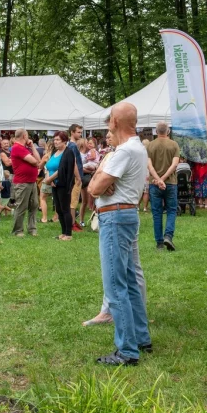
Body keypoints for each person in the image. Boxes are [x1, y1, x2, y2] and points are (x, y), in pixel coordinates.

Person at [88, 102, 152, 366]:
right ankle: (140, 338)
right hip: (126, 214)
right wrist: (104, 181)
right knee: (128, 280)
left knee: (116, 285)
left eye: (110, 119)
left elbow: (94, 188)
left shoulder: (123, 151)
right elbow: (100, 187)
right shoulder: (137, 148)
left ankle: (127, 350)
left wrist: (102, 176)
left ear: (115, 121)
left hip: (115, 216)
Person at [147, 122, 180, 251]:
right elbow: (175, 164)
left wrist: (157, 179)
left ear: (156, 131)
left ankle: (159, 242)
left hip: (154, 184)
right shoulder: (174, 145)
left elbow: (149, 165)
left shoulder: (150, 145)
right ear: (168, 131)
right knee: (171, 210)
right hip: (171, 182)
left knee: (156, 213)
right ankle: (168, 236)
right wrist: (164, 179)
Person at [10, 128, 41, 236]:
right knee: (21, 207)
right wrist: (36, 162)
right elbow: (35, 161)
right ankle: (18, 230)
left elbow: (39, 160)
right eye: (27, 136)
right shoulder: (17, 148)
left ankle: (32, 228)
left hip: (31, 181)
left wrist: (32, 146)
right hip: (22, 182)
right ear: (24, 136)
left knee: (34, 205)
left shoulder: (26, 148)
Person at [47, 131, 77, 239]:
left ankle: (68, 234)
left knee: (65, 209)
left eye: (58, 140)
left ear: (64, 141)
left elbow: (63, 169)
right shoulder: (54, 152)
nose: (55, 142)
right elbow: (49, 166)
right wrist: (49, 180)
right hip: (54, 184)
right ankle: (63, 232)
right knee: (59, 209)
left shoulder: (68, 152)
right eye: (54, 139)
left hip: (63, 184)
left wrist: (51, 178)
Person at [67, 124, 85, 232]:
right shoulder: (72, 146)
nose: (80, 134)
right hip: (75, 177)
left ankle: (73, 222)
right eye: (78, 132)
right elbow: (73, 162)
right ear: (72, 132)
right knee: (73, 201)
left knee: (74, 200)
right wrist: (78, 177)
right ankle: (72, 223)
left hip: (74, 176)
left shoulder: (71, 145)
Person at [40, 138, 62, 223]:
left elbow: (40, 166)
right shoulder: (59, 155)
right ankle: (56, 217)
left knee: (42, 198)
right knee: (57, 199)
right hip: (57, 178)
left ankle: (44, 218)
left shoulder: (47, 156)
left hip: (47, 178)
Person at [79, 138, 100, 226]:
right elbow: (80, 168)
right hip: (85, 178)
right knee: (85, 201)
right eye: (87, 143)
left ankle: (94, 220)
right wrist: (90, 171)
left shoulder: (91, 152)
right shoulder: (80, 154)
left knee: (94, 199)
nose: (89, 144)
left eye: (90, 143)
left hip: (92, 177)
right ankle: (81, 220)